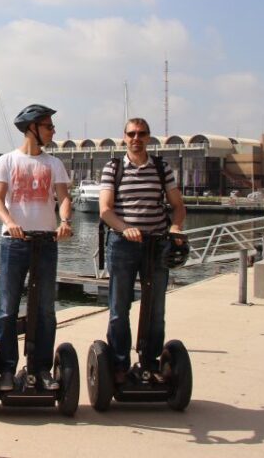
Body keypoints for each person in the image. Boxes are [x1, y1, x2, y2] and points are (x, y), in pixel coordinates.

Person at [0, 104, 72, 392]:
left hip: (46, 242)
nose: (52, 131)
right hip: (15, 242)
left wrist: (64, 221)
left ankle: (41, 368)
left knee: (46, 309)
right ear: (32, 128)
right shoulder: (6, 162)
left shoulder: (54, 164)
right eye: (48, 126)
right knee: (7, 308)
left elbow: (63, 198)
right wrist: (10, 222)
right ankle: (8, 369)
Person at [98, 117, 186, 384]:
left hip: (156, 244)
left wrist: (176, 228)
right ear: (124, 137)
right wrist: (125, 228)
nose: (136, 138)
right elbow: (105, 210)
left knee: (155, 308)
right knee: (118, 308)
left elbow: (178, 206)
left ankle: (150, 362)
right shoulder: (113, 168)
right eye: (131, 134)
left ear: (149, 137)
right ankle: (120, 364)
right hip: (123, 244)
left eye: (142, 134)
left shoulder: (161, 168)